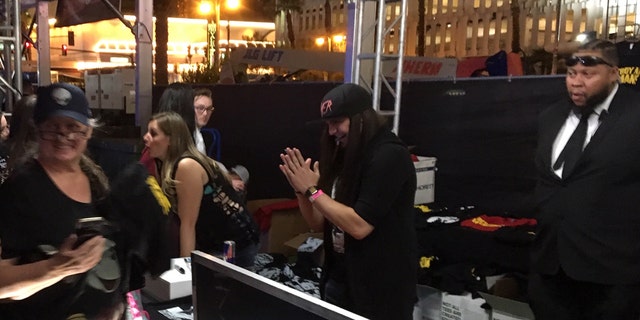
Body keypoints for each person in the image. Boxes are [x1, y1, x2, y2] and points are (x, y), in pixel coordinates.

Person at [278, 83, 418, 319]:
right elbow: (320, 223)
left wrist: (312, 191)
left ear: (361, 118)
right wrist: (301, 192)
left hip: (380, 288)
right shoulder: (346, 155)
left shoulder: (389, 155)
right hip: (341, 278)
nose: (332, 131)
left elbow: (359, 226)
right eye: (328, 124)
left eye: (338, 122)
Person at [530, 39, 640, 320]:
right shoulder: (550, 117)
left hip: (613, 276)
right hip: (551, 270)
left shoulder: (634, 116)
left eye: (588, 75)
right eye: (571, 74)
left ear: (614, 73)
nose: (576, 83)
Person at [0, 83, 125, 319]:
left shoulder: (95, 179)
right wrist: (56, 268)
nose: (63, 136)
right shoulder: (19, 190)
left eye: (73, 127)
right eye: (52, 128)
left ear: (87, 132)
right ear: (37, 130)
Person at [143, 111, 259, 268]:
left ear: (171, 139)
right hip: (217, 239)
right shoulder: (164, 164)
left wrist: (184, 272)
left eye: (153, 133)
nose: (146, 137)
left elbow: (188, 224)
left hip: (234, 242)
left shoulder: (187, 166)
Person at [192, 87, 249, 195]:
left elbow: (205, 161)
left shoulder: (198, 132)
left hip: (212, 175)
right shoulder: (190, 133)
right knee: (240, 182)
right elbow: (199, 170)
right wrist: (226, 181)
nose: (205, 114)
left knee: (243, 171)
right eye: (200, 108)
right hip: (204, 186)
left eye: (209, 109)